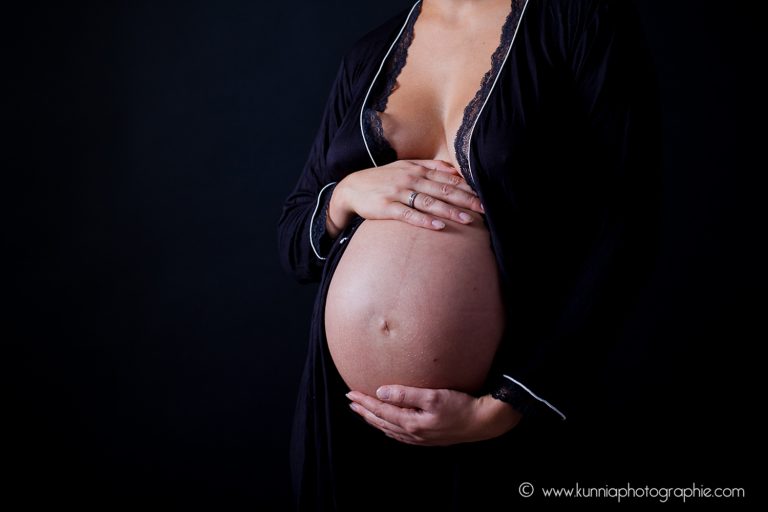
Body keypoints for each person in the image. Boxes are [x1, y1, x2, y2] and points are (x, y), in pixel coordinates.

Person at [277, 0, 661, 510]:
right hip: (351, 422)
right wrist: (346, 194)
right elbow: (293, 242)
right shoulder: (369, 54)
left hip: (504, 408)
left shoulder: (579, 22)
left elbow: (629, 223)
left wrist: (507, 406)